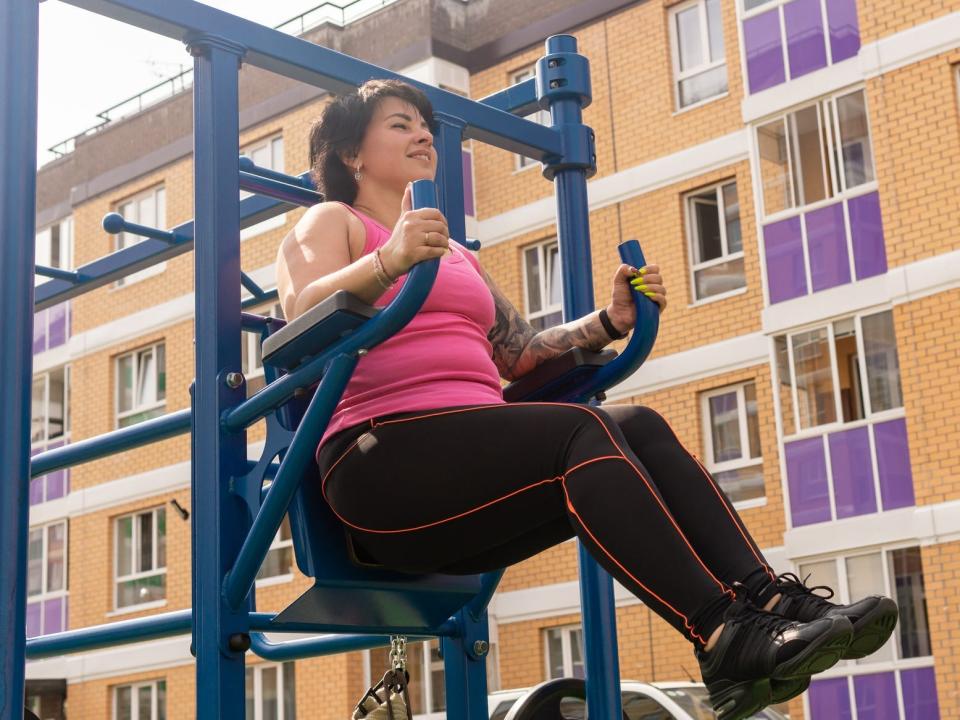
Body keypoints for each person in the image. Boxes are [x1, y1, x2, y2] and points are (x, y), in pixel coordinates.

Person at [275, 79, 899, 719]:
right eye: (401, 125)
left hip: (463, 466)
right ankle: (720, 634)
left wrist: (607, 320)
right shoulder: (333, 222)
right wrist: (392, 259)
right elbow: (299, 311)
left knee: (641, 426)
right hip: (384, 465)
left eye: (425, 125)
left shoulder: (452, 251)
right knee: (582, 429)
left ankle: (767, 603)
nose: (424, 135)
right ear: (353, 154)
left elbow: (516, 354)